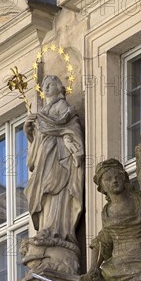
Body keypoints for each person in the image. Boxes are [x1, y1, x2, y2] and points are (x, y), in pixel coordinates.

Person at [23, 75, 84, 248]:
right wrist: (29, 131)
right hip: (44, 158)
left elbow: (70, 128)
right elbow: (37, 144)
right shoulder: (43, 112)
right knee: (44, 193)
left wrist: (64, 137)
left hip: (60, 158)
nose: (46, 88)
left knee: (56, 191)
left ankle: (57, 229)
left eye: (50, 85)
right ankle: (45, 228)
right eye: (44, 86)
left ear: (59, 87)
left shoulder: (62, 106)